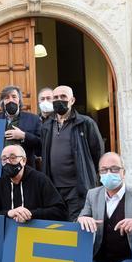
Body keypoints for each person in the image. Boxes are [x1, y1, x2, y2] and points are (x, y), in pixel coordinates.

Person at [40, 85, 103, 220]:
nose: (59, 100)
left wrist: (88, 174)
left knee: (76, 224)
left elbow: (97, 154)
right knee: (57, 225)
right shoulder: (46, 126)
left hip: (77, 189)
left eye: (63, 96)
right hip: (54, 189)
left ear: (72, 100)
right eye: (55, 97)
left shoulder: (85, 123)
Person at [0, 145, 66, 222]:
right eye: (4, 159)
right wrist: (9, 213)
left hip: (34, 230)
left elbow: (60, 211)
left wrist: (30, 214)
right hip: (8, 230)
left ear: (23, 161)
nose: (8, 162)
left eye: (13, 157)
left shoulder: (40, 180)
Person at [0, 85, 41, 163]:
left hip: (25, 166)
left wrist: (23, 136)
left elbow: (40, 144)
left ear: (19, 101)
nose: (11, 100)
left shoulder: (33, 119)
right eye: (7, 98)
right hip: (0, 166)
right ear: (3, 102)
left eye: (14, 97)